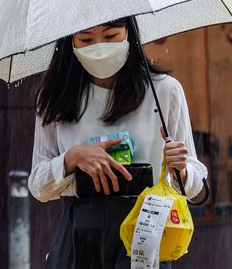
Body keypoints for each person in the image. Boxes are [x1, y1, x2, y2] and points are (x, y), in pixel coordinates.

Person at [28, 16, 208, 269]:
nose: (99, 47)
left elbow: (195, 185)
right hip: (78, 238)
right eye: (86, 39)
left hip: (144, 231)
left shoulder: (164, 91)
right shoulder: (54, 99)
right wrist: (72, 158)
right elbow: (38, 185)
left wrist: (181, 170)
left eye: (111, 36)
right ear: (70, 43)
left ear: (129, 35)